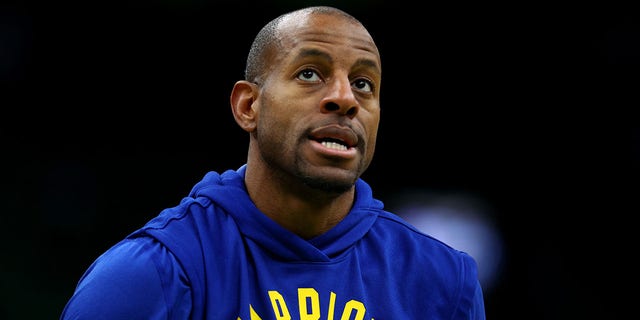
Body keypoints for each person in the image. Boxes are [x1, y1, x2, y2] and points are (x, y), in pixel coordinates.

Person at [60, 5, 486, 319]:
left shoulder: (444, 283)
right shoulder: (154, 273)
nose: (345, 98)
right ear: (249, 106)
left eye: (363, 83)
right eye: (309, 73)